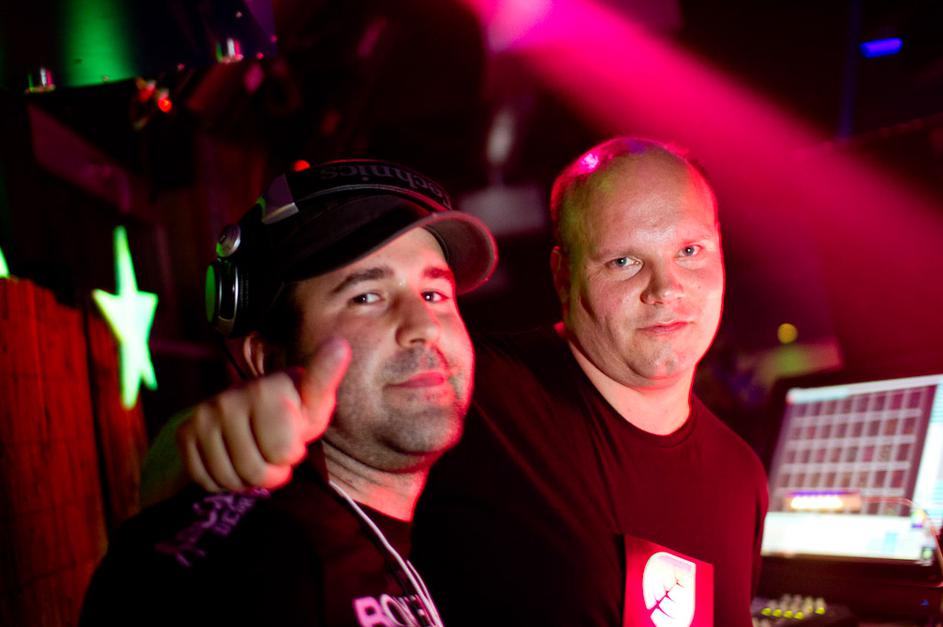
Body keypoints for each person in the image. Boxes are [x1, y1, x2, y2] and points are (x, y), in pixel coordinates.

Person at [147, 138, 769, 626]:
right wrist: (198, 444)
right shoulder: (464, 386)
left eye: (690, 251)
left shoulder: (742, 476)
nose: (666, 289)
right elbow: (233, 452)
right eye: (624, 261)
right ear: (563, 274)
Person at [79, 159, 498, 627]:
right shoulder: (258, 568)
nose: (423, 327)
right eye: (366, 297)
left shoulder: (451, 528)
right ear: (266, 360)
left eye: (434, 295)